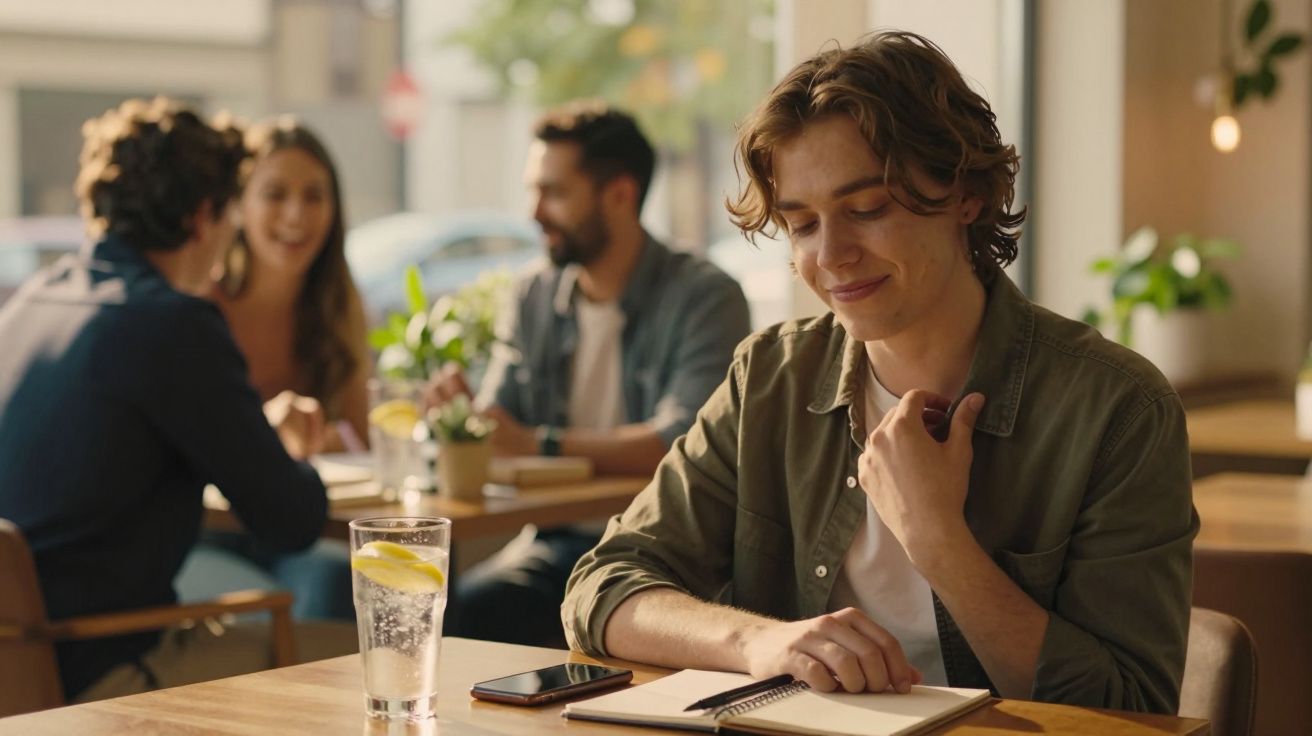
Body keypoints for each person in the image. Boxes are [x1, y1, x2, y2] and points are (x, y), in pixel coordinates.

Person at [563, 32, 1197, 714]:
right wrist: (762, 644)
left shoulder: (1117, 409)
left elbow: (1132, 707)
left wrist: (936, 540)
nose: (831, 254)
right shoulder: (770, 377)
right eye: (802, 224)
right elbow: (601, 587)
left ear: (964, 196)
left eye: (867, 209)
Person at [0, 97, 354, 703]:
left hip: (17, 661)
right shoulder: (173, 325)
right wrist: (283, 447)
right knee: (363, 663)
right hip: (96, 667)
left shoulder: (32, 301)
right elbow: (291, 519)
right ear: (202, 217)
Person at [429, 101, 751, 647]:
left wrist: (538, 443)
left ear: (620, 195)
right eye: (533, 190)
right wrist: (462, 417)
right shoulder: (532, 296)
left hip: (668, 553)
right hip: (557, 546)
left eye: (553, 193)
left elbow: (678, 440)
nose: (533, 213)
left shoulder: (704, 297)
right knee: (462, 613)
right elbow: (499, 425)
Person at [176, 120, 369, 622]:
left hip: (297, 533)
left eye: (313, 196)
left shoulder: (337, 307)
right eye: (275, 194)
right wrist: (263, 431)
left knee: (367, 578)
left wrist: (330, 442)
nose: (296, 215)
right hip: (210, 534)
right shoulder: (200, 304)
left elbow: (361, 444)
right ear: (238, 206)